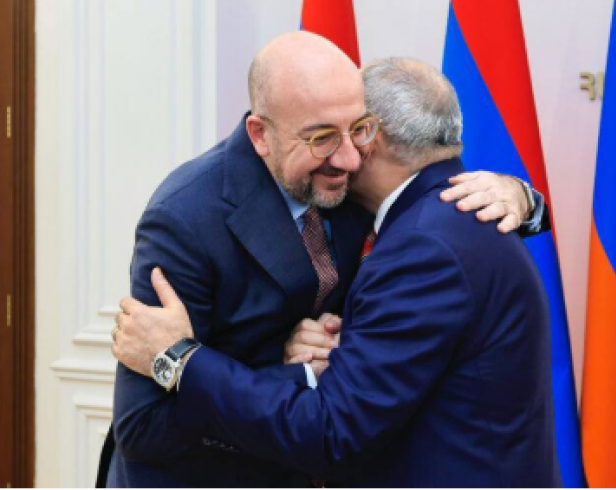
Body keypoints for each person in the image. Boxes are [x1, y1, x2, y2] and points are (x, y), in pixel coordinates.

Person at [101, 32, 547, 487]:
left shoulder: (350, 191)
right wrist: (297, 375)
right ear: (261, 135)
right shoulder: (187, 216)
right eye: (322, 138)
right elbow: (143, 426)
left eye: (359, 129)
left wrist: (525, 198)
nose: (350, 157)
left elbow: (432, 206)